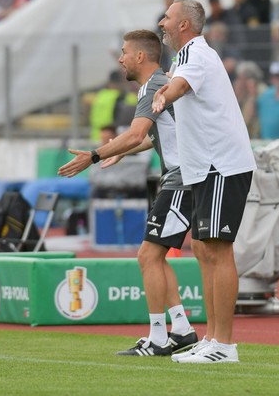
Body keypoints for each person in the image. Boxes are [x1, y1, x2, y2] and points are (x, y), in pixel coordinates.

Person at [58, 29, 198, 357]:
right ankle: (180, 328)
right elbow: (156, 136)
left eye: (124, 51)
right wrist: (122, 151)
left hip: (181, 180)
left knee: (147, 256)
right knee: (156, 256)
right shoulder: (161, 83)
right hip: (180, 179)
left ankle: (159, 336)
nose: (120, 58)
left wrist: (95, 155)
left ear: (139, 56)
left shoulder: (154, 86)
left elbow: (136, 134)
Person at [153, 0, 256, 363]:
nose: (161, 22)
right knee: (202, 248)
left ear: (184, 25)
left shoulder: (197, 52)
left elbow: (180, 86)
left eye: (167, 17)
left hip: (220, 165)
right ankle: (212, 338)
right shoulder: (183, 57)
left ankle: (225, 345)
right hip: (204, 168)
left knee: (217, 249)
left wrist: (164, 95)